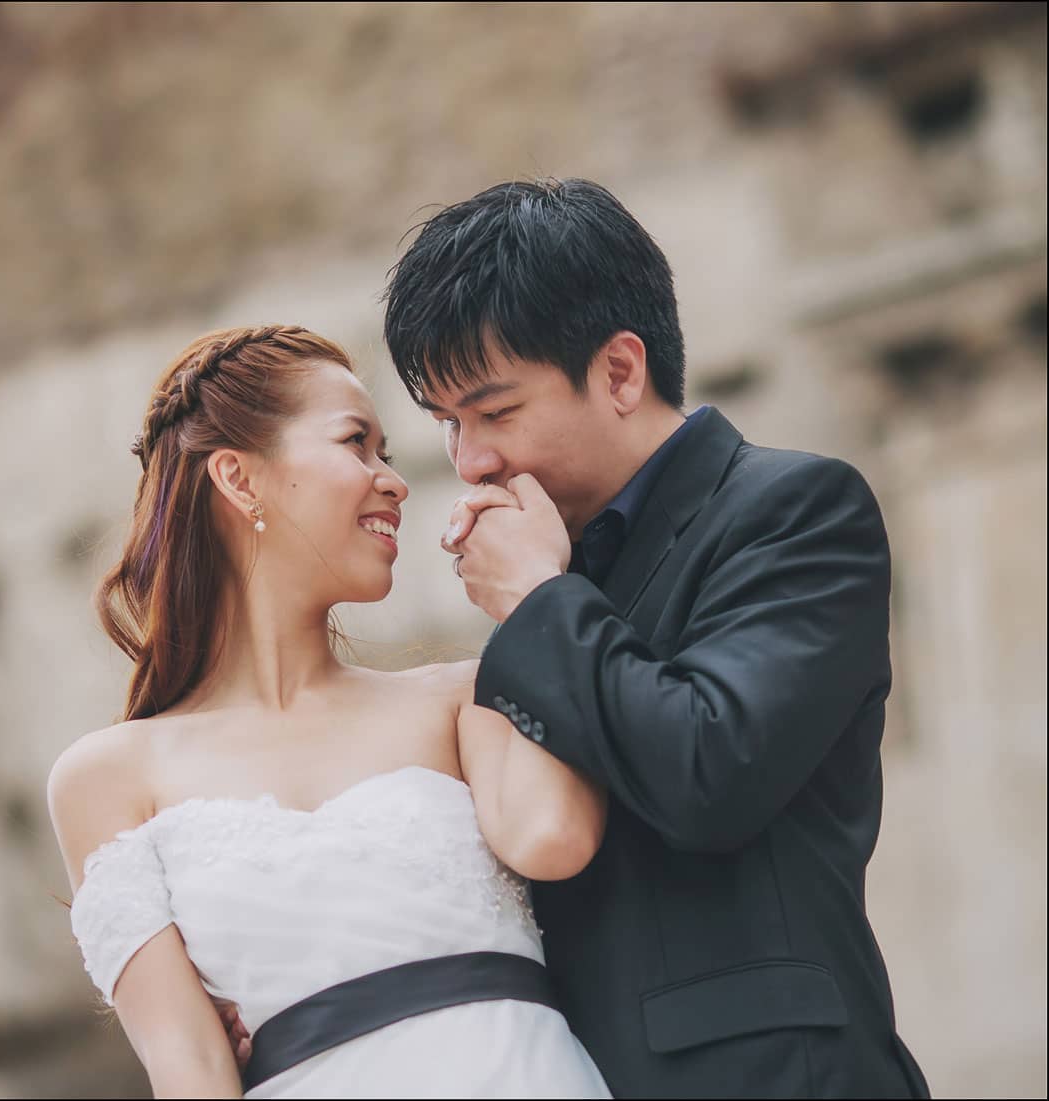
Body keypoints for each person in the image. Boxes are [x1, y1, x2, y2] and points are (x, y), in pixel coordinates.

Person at [368, 176, 931, 1098]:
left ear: (621, 371)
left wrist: (541, 599)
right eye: (447, 423)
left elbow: (712, 768)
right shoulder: (551, 574)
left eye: (496, 412)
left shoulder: (794, 511)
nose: (468, 462)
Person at [47, 325, 612, 1098]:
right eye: (358, 443)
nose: (395, 479)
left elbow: (556, 836)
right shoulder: (105, 779)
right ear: (239, 479)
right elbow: (192, 1072)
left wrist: (540, 594)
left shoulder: (467, 694)